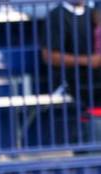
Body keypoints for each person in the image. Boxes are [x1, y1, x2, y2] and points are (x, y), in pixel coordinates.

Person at [40, 0, 101, 143]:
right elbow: (49, 56)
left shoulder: (93, 13)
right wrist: (86, 60)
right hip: (71, 80)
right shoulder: (56, 15)